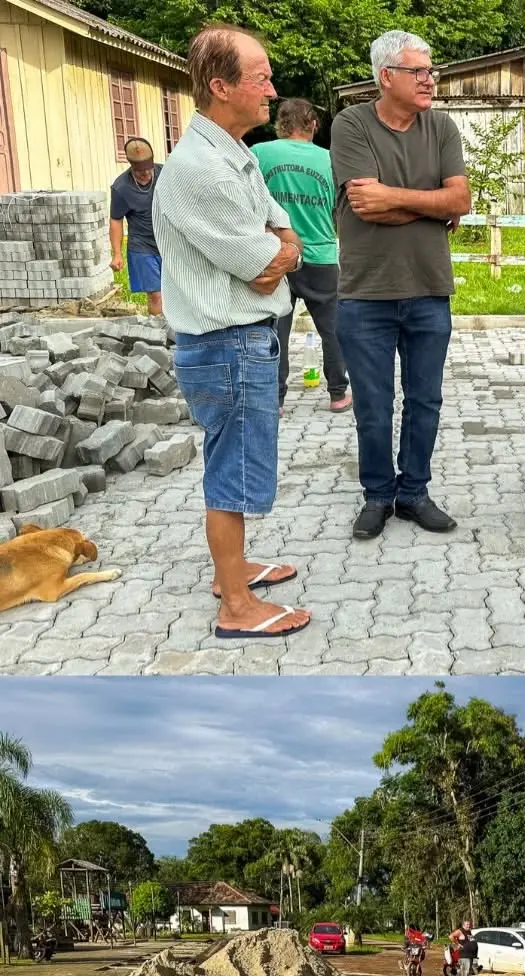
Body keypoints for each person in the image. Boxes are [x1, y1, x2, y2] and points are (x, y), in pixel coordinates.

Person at [153, 25, 311, 641]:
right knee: (232, 476)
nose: (272, 89)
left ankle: (235, 569)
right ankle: (236, 606)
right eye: (260, 77)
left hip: (240, 340)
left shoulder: (233, 151)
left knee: (239, 468)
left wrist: (280, 251)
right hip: (224, 343)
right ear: (220, 87)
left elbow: (284, 235)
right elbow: (266, 262)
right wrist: (278, 253)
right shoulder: (200, 169)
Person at [332, 30, 471, 542]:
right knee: (373, 405)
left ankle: (413, 492)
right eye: (419, 71)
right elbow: (365, 207)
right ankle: (376, 494)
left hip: (430, 289)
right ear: (386, 76)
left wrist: (398, 199)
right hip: (366, 295)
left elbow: (461, 200)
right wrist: (430, 205)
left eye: (431, 70)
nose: (430, 79)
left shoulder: (441, 127)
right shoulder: (350, 124)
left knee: (426, 400)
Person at [253, 98, 351, 416]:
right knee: (333, 329)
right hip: (320, 256)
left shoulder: (258, 154)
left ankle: (276, 400)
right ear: (312, 124)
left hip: (274, 255)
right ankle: (338, 394)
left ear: (280, 123)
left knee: (274, 330)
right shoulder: (331, 160)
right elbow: (341, 209)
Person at [109, 138, 164, 316]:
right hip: (142, 246)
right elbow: (116, 220)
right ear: (132, 167)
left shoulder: (166, 174)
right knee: (155, 294)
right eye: (141, 172)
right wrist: (117, 254)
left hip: (169, 243)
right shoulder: (121, 187)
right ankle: (160, 336)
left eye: (149, 169)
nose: (147, 174)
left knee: (178, 293)